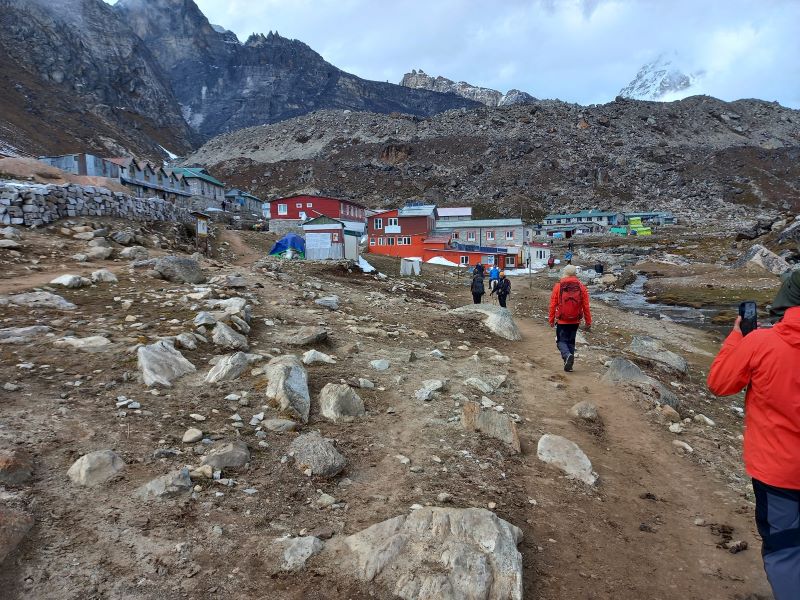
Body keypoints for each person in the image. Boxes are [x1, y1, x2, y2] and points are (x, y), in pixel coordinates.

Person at [707, 270, 800, 600]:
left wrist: (738, 338)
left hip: (778, 472)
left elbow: (719, 383)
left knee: (785, 549)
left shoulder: (761, 343)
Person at [548, 264, 591, 372]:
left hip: (562, 320)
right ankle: (569, 365)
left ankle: (567, 355)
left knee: (560, 341)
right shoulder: (581, 287)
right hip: (575, 320)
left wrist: (551, 319)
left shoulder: (559, 286)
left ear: (565, 273)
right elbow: (586, 306)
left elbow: (553, 304)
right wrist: (588, 321)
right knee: (571, 342)